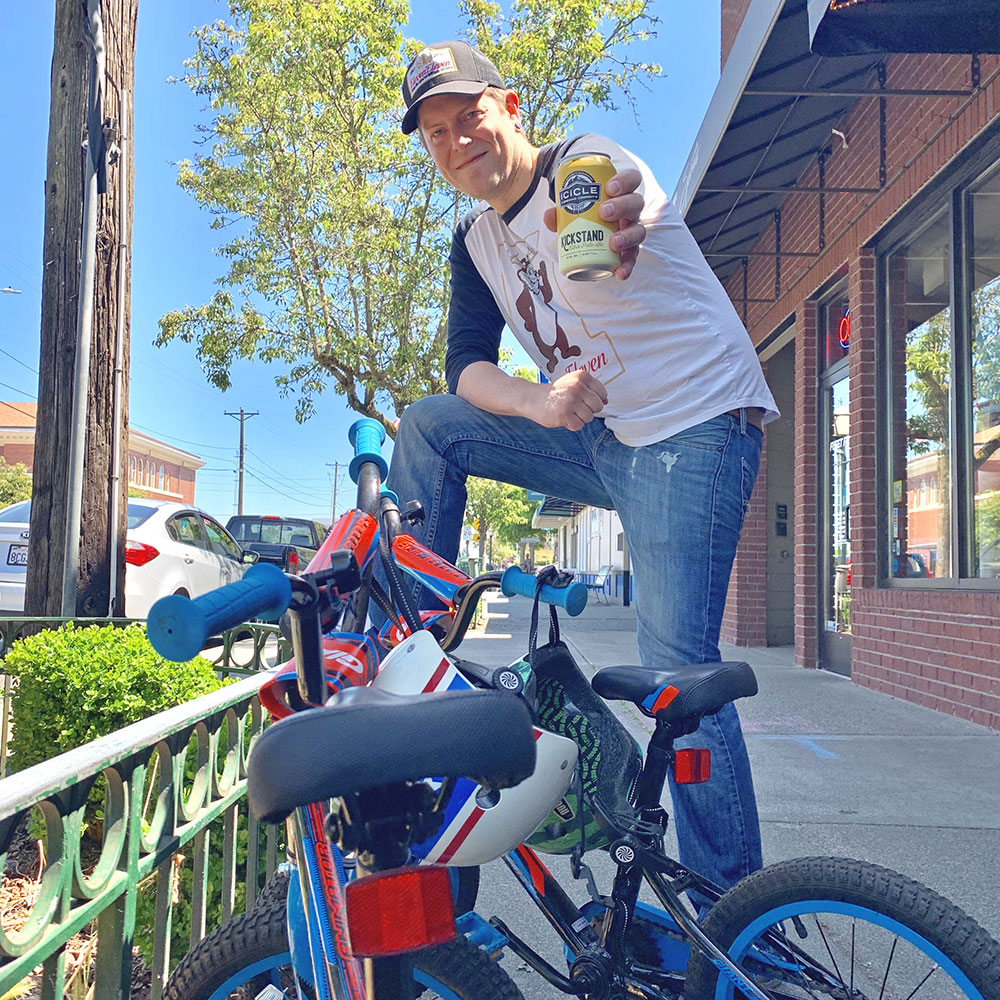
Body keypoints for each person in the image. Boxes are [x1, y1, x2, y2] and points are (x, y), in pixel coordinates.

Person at [385, 40, 779, 891]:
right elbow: (466, 369)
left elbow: (599, 229)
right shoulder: (475, 244)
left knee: (677, 671)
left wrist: (603, 223)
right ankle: (408, 645)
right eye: (437, 134)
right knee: (430, 423)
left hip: (694, 429)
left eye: (470, 118)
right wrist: (537, 401)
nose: (458, 143)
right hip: (602, 435)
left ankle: (738, 921)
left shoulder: (583, 165)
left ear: (510, 107)